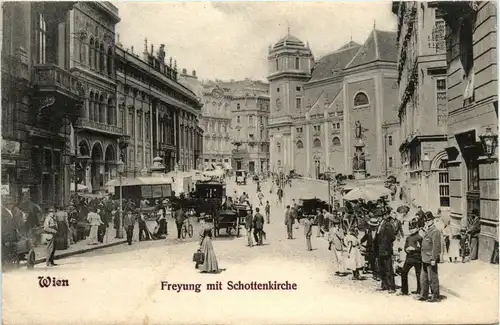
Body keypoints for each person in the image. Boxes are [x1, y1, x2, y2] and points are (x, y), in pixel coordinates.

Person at [417, 211, 441, 302]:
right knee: (423, 278)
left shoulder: (435, 231)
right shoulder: (426, 230)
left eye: (429, 220)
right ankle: (424, 295)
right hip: (424, 258)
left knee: (432, 278)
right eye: (426, 221)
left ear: (433, 220)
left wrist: (433, 258)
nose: (427, 222)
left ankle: (435, 296)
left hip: (430, 258)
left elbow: (436, 246)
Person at [398, 218, 422, 296]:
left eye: (413, 228)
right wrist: (406, 249)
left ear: (417, 228)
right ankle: (404, 290)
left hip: (417, 258)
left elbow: (422, 248)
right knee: (403, 272)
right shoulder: (408, 237)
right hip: (409, 258)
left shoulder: (419, 237)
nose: (411, 230)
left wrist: (414, 249)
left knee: (418, 275)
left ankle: (419, 290)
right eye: (410, 228)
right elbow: (405, 246)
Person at [375, 209, 396, 293]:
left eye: (379, 216)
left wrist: (387, 245)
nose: (378, 218)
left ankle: (391, 287)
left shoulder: (388, 225)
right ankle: (384, 284)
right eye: (377, 217)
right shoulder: (379, 225)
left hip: (386, 250)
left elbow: (393, 237)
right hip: (380, 250)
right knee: (381, 268)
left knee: (388, 269)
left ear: (383, 216)